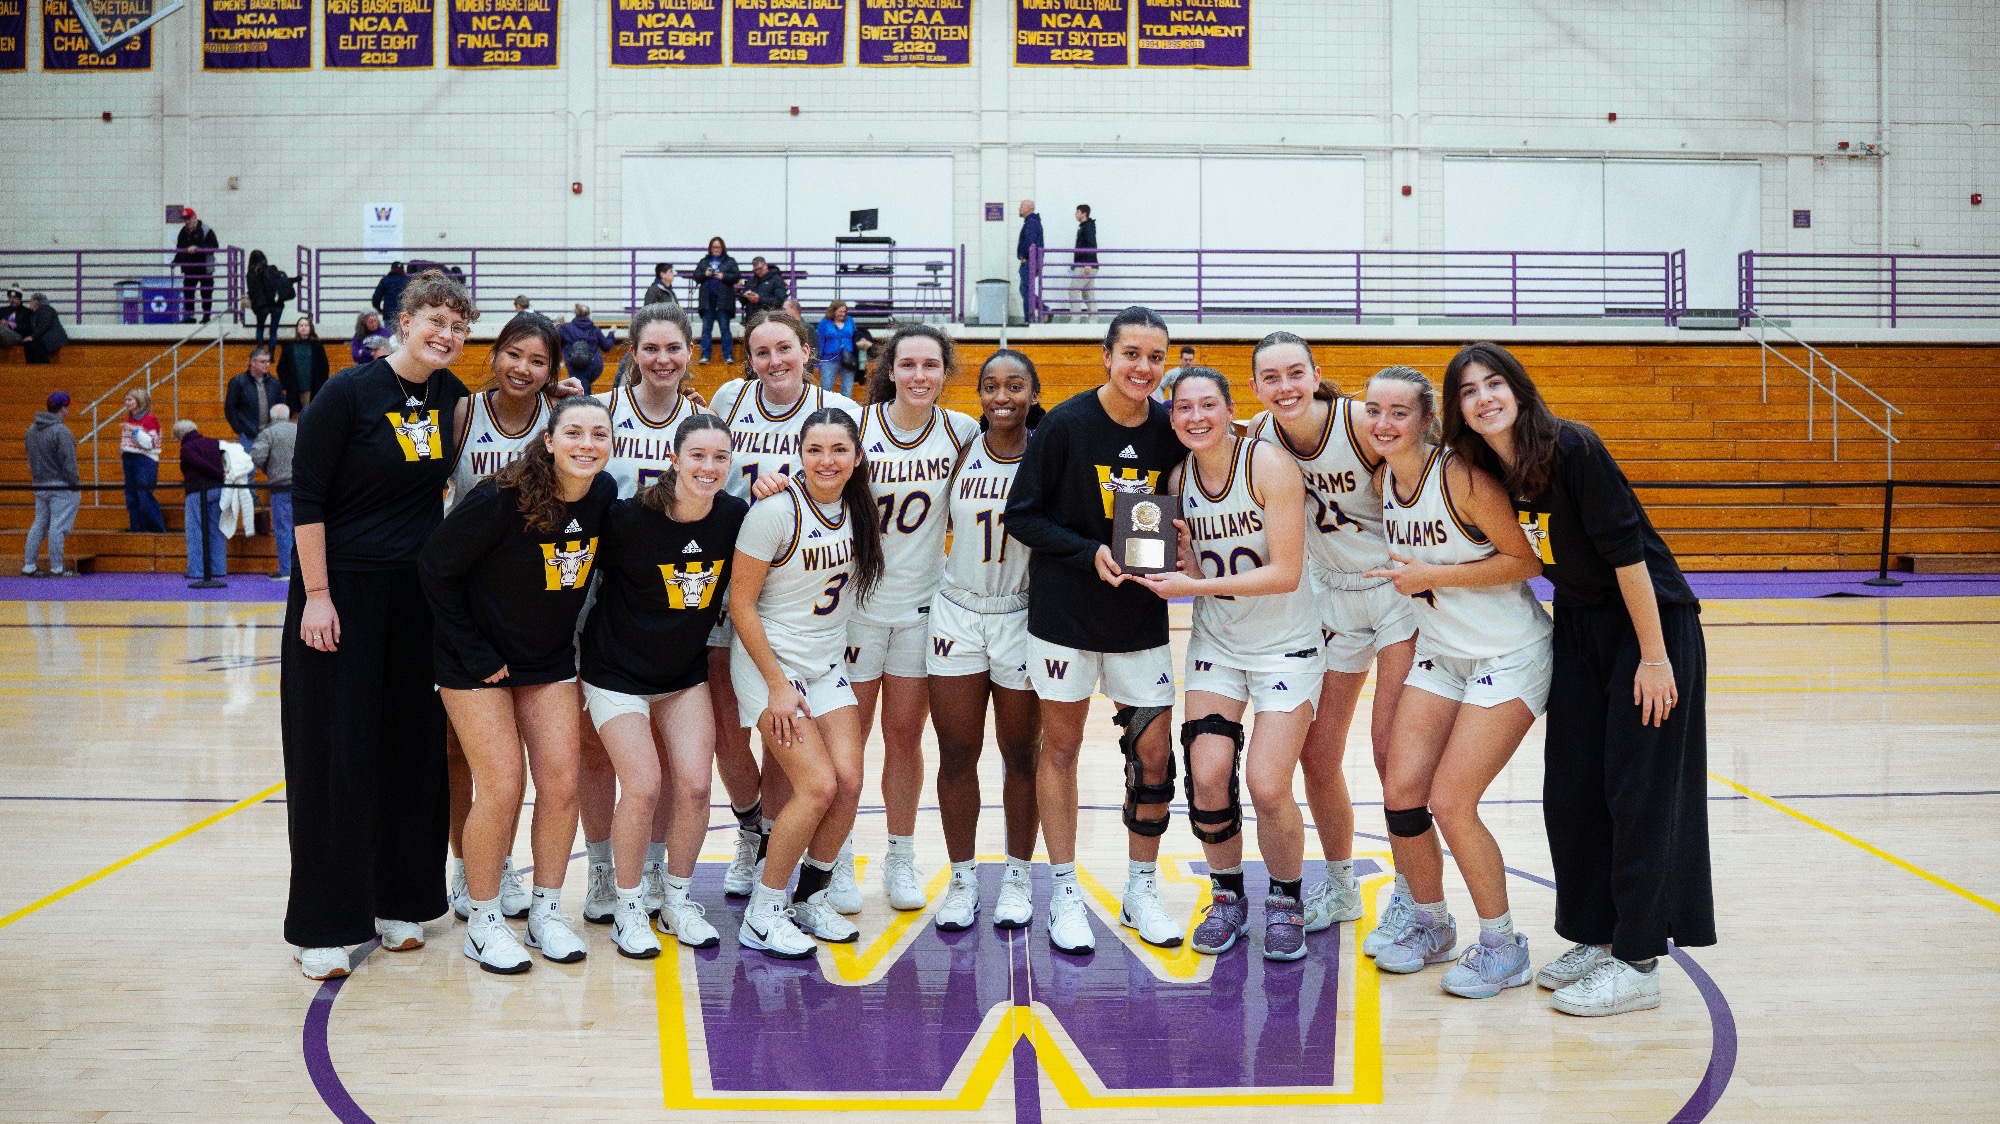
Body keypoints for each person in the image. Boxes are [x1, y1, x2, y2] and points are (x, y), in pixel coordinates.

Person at [1444, 341, 1712, 1017]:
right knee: (1572, 791)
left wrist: (1654, 658)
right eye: (1469, 391)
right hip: (1580, 627)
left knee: (1637, 792)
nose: (1484, 398)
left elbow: (1630, 560)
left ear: (1520, 389)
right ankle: (1596, 936)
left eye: (1494, 383)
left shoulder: (1573, 447)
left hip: (1645, 626)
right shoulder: (1486, 470)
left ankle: (1639, 960)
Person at [281, 270, 477, 981]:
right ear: (403, 320)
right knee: (336, 755)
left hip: (413, 599)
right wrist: (318, 595)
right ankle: (325, 924)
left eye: (458, 325)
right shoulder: (348, 392)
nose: (446, 334)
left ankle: (401, 901)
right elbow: (307, 497)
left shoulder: (454, 399)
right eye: (435, 319)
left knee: (410, 751)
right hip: (342, 594)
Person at [1360, 365, 1551, 1000]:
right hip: (1443, 651)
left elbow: (1525, 560)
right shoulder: (1387, 478)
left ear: (1426, 420)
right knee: (1401, 790)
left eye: (1399, 413)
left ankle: (1503, 946)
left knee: (1451, 800)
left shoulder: (1461, 478)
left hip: (1509, 651)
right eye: (1375, 411)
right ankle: (1431, 922)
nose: (1384, 424)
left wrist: (1433, 578)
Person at [1003, 306, 1186, 954]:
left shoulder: (1171, 430)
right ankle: (1065, 893)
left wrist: (1186, 537)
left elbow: (1184, 510)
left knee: (1154, 753)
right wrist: (1088, 553)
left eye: (1155, 357)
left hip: (1141, 619)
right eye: (1132, 353)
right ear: (1106, 356)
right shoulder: (1065, 426)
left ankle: (1142, 888)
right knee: (1060, 750)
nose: (1143, 367)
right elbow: (1020, 515)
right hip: (1064, 617)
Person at [420, 396, 614, 973]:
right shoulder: (501, 497)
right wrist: (476, 651)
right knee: (503, 784)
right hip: (472, 660)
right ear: (549, 441)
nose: (586, 444)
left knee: (562, 782)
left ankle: (546, 912)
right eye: (573, 432)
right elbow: (435, 566)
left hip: (547, 659)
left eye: (598, 434)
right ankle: (483, 921)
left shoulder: (601, 498)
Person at [1135, 367, 1319, 960]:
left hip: (1286, 643)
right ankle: (1227, 894)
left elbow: (1286, 572)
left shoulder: (1266, 463)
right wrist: (1181, 559)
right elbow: (1185, 556)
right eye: (1182, 407)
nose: (1195, 417)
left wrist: (1194, 584)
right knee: (1208, 775)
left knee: (1267, 784)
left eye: (1207, 404)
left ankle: (1287, 898)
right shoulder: (1176, 477)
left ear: (1229, 408)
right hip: (1219, 643)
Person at [1245, 332, 1417, 936]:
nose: (1286, 386)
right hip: (1331, 597)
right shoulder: (1258, 439)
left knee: (1391, 748)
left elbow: (1430, 465)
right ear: (1256, 387)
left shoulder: (1360, 423)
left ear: (1317, 374)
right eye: (1272, 377)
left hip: (1396, 590)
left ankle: (1410, 893)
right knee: (1317, 754)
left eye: (1296, 373)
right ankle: (1342, 886)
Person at [574, 303, 729, 928]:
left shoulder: (705, 422)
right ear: (632, 352)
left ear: (690, 351)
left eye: (674, 348)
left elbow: (729, 500)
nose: (662, 359)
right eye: (651, 348)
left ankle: (663, 874)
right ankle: (604, 867)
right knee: (596, 756)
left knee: (677, 772)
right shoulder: (603, 418)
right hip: (597, 588)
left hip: (679, 590)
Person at [708, 312, 861, 903]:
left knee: (803, 760)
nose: (775, 361)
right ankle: (754, 838)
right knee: (731, 733)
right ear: (750, 359)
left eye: (785, 349)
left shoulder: (833, 412)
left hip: (797, 596)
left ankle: (794, 850)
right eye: (762, 351)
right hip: (732, 579)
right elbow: (701, 455)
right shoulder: (729, 397)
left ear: (807, 351)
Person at [580, 413, 746, 956]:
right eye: (697, 455)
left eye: (720, 458)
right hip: (615, 673)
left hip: (681, 676)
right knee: (645, 785)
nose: (709, 466)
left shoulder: (733, 517)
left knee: (697, 785)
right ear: (673, 459)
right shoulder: (626, 519)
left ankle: (675, 899)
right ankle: (629, 906)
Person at [728, 408, 883, 958]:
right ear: (799, 454)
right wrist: (776, 685)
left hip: (825, 663)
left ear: (857, 458)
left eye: (839, 449)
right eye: (814, 449)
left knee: (850, 782)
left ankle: (809, 898)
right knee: (816, 786)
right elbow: (740, 604)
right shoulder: (775, 511)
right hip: (770, 664)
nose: (826, 460)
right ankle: (764, 911)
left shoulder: (858, 511)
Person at [847, 325, 982, 913]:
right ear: (891, 370)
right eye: (908, 365)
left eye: (931, 365)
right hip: (854, 607)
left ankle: (900, 855)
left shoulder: (962, 432)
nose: (920, 375)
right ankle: (835, 857)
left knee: (903, 740)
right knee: (847, 746)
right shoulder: (857, 427)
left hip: (923, 606)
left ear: (945, 372)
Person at [438, 313, 567, 924]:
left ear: (552, 371)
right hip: (469, 600)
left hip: (537, 604)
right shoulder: (464, 415)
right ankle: (466, 865)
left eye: (538, 361)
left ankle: (504, 864)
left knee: (525, 759)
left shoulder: (559, 417)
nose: (524, 369)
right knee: (466, 754)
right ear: (495, 356)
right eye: (514, 355)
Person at [927, 349, 1044, 933]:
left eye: (1015, 385)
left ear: (1032, 393)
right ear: (977, 393)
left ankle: (1019, 876)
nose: (1002, 395)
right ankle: (963, 878)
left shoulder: (1049, 453)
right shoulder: (958, 448)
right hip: (957, 612)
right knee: (956, 753)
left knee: (1021, 756)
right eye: (991, 385)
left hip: (1020, 616)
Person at [23, 391, 81, 578]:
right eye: (68, 406)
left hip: (40, 485)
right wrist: (74, 485)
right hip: (60, 486)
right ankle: (57, 568)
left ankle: (29, 565)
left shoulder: (31, 430)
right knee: (58, 526)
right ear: (63, 408)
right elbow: (68, 462)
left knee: (39, 524)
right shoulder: (61, 431)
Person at [174, 418, 227, 581]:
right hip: (218, 490)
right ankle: (218, 568)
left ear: (180, 435)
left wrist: (217, 473)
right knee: (216, 529)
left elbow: (198, 464)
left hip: (196, 491)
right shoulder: (214, 442)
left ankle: (196, 570)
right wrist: (221, 475)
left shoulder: (187, 448)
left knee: (195, 530)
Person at [252, 403, 298, 582]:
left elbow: (257, 457)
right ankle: (301, 570)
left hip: (280, 487)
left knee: (283, 529)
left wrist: (268, 469)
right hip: (302, 487)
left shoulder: (268, 433)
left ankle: (286, 570)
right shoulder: (299, 430)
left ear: (272, 417)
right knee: (301, 530)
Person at [119, 388, 166, 533]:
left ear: (139, 401)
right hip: (129, 458)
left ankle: (156, 529)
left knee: (143, 495)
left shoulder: (150, 419)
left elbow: (150, 443)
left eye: (130, 399)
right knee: (131, 497)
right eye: (126, 399)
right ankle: (136, 529)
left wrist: (134, 431)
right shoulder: (129, 419)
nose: (127, 403)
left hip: (144, 460)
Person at [226, 347, 284, 453]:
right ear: (252, 362)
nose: (267, 365)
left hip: (270, 433)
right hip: (248, 434)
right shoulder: (238, 382)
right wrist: (239, 429)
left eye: (268, 361)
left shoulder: (274, 383)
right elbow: (230, 409)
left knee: (272, 468)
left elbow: (281, 405)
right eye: (263, 362)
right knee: (249, 468)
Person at [694, 238, 740, 365]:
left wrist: (723, 276)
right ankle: (705, 355)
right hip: (707, 301)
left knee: (725, 328)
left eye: (718, 247)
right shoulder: (704, 262)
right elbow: (696, 276)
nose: (716, 250)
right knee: (706, 329)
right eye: (713, 247)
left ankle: (728, 355)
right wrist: (705, 274)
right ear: (710, 248)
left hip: (724, 301)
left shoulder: (730, 261)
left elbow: (736, 276)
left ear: (722, 248)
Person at [275, 318, 331, 412]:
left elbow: (324, 367)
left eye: (306, 325)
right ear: (297, 328)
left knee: (311, 414)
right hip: (294, 388)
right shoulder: (289, 346)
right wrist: (287, 384)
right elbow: (282, 367)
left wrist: (321, 384)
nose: (303, 328)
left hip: (312, 388)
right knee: (295, 416)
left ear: (311, 328)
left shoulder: (317, 346)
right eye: (301, 325)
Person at [558, 304, 617, 393]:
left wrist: (558, 327)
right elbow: (606, 346)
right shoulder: (594, 329)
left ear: (576, 314)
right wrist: (611, 333)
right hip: (593, 366)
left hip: (574, 365)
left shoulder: (565, 329)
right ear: (589, 315)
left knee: (579, 392)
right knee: (584, 390)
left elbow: (554, 341)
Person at [174, 210, 219, 323]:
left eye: (188, 218)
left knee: (206, 292)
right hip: (190, 268)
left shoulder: (205, 229)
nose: (187, 221)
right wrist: (176, 261)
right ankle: (190, 317)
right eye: (185, 219)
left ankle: (206, 316)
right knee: (188, 291)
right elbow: (180, 248)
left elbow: (214, 245)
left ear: (195, 218)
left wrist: (197, 248)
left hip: (205, 267)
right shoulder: (183, 232)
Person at [245, 250, 286, 350]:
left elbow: (251, 291)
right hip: (276, 303)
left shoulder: (250, 274)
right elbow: (281, 282)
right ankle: (271, 355)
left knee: (260, 327)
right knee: (273, 330)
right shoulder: (272, 269)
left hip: (261, 305)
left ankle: (260, 350)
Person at [814, 301, 856, 395]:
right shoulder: (824, 323)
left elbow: (855, 337)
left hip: (848, 360)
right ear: (833, 311)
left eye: (844, 311)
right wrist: (817, 362)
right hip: (829, 360)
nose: (843, 314)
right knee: (826, 390)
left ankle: (845, 410)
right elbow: (820, 343)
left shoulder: (850, 321)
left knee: (847, 391)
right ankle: (824, 409)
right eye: (840, 312)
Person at [1015, 200, 1044, 322]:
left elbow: (1030, 244)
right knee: (1025, 289)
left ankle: (1029, 318)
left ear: (1029, 208)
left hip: (1028, 262)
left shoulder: (1031, 223)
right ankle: (1044, 309)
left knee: (1027, 291)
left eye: (1021, 206)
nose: (1019, 209)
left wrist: (1024, 256)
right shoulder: (1033, 222)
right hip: (1030, 262)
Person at [1070, 205, 1099, 319]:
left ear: (1084, 214)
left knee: (1073, 290)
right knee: (1088, 293)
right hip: (1088, 264)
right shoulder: (1086, 227)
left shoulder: (1087, 228)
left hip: (1085, 265)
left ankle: (1076, 319)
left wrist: (1088, 263)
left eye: (1077, 212)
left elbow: (1091, 245)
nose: (1075, 214)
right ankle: (1093, 319)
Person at [21, 293, 67, 364]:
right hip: (45, 338)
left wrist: (33, 337)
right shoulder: (33, 314)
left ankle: (44, 367)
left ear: (35, 302)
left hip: (53, 338)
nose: (29, 303)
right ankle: (32, 368)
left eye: (30, 301)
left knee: (34, 344)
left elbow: (44, 325)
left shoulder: (46, 310)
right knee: (29, 344)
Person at [738, 257, 787, 322]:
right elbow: (743, 300)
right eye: (755, 270)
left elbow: (780, 300)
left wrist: (760, 299)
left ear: (766, 266)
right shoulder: (751, 280)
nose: (758, 272)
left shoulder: (777, 279)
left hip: (770, 318)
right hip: (752, 318)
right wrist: (744, 296)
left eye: (760, 269)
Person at [371, 262, 409, 326]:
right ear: (403, 270)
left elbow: (376, 299)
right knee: (404, 335)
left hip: (389, 316)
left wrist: (380, 310)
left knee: (390, 335)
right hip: (404, 315)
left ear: (391, 269)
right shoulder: (408, 281)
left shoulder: (385, 280)